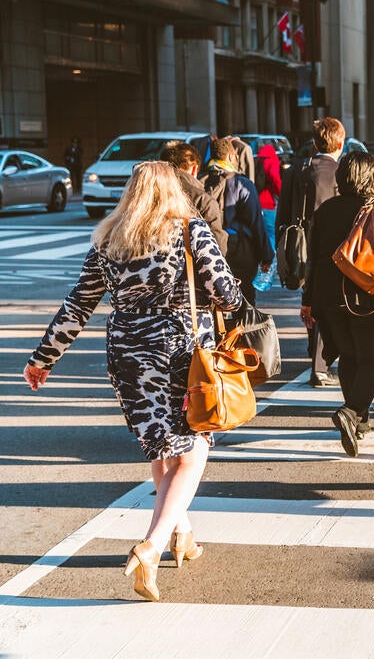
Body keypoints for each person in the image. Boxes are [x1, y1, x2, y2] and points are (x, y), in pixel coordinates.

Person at [24, 160, 243, 602]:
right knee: (193, 450)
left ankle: (183, 534)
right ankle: (152, 545)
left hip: (127, 355)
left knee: (162, 446)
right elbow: (227, 294)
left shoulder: (110, 239)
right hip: (181, 354)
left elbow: (78, 305)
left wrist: (44, 358)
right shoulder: (189, 230)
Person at [301, 152, 374, 457]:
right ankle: (351, 412)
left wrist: (307, 301)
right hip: (368, 299)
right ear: (372, 177)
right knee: (371, 363)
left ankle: (360, 422)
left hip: (327, 297)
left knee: (348, 357)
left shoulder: (324, 210)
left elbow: (312, 261)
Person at [278, 117, 345, 387]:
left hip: (298, 242)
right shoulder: (341, 171)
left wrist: (281, 248)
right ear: (340, 142)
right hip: (330, 245)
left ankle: (316, 358)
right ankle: (319, 364)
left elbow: (283, 211)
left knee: (311, 299)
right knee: (325, 304)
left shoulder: (297, 169)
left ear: (315, 143)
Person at [204, 137, 273, 305]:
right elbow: (256, 222)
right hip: (241, 254)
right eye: (235, 157)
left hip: (208, 253)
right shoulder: (242, 184)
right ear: (229, 157)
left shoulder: (201, 181)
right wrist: (266, 256)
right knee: (245, 301)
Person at [160, 141, 227, 253]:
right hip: (188, 267)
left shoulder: (147, 193)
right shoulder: (204, 201)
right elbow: (218, 249)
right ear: (194, 168)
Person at [256, 143, 283, 249]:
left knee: (260, 234)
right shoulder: (272, 161)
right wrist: (281, 192)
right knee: (271, 233)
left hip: (256, 202)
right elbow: (274, 177)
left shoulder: (257, 162)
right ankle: (270, 261)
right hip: (268, 204)